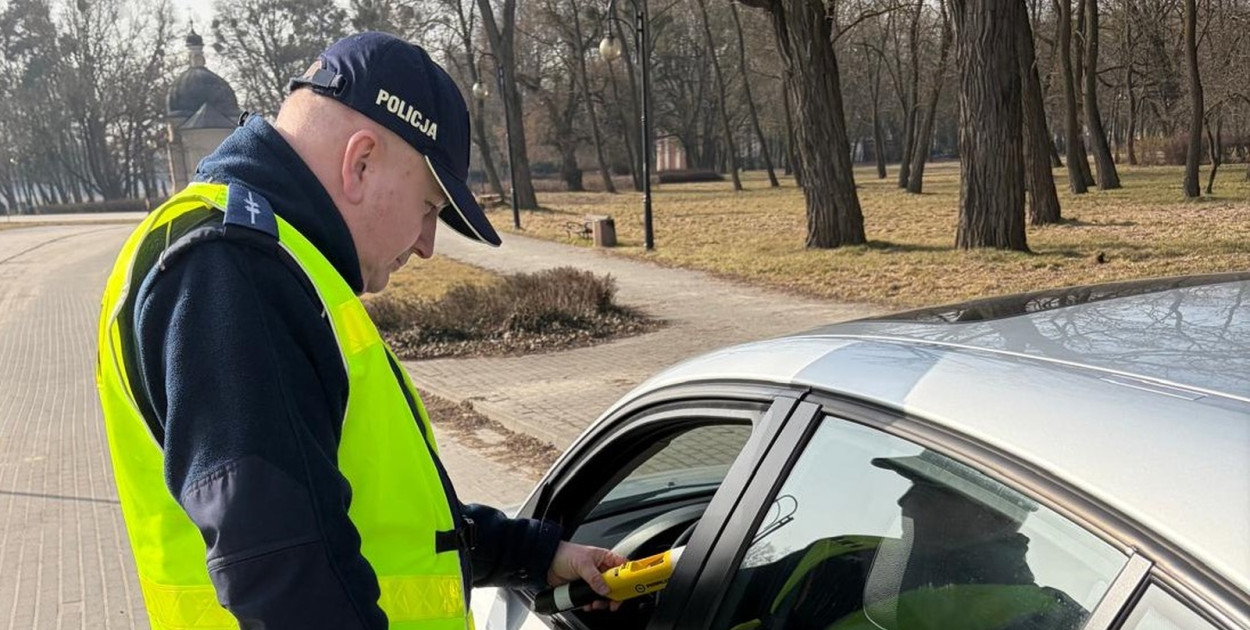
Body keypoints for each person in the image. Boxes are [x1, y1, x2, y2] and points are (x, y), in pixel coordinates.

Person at [96, 32, 624, 630]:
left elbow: (383, 520)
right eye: (429, 207)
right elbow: (288, 583)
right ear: (361, 162)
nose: (426, 245)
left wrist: (536, 555)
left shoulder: (272, 265)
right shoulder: (230, 271)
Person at [726, 451, 1085, 630]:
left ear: (997, 518)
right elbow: (719, 585)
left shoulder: (1036, 617)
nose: (903, 501)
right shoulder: (842, 553)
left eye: (928, 492)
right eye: (910, 486)